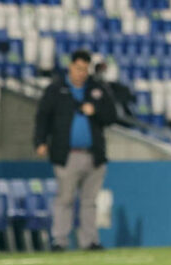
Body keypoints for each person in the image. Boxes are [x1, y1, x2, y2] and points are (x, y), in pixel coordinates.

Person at [34, 49, 117, 251]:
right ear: (71, 66)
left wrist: (95, 111)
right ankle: (59, 240)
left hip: (93, 154)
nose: (81, 73)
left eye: (85, 69)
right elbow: (43, 116)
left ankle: (89, 241)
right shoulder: (56, 89)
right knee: (65, 199)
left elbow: (112, 116)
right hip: (67, 154)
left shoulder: (96, 89)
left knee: (90, 201)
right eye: (78, 68)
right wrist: (40, 141)